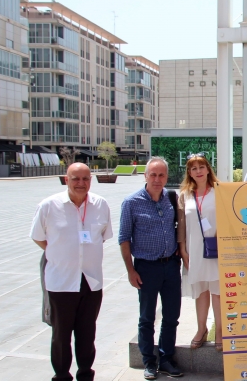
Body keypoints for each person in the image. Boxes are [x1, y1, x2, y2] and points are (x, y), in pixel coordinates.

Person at [30, 163, 112, 381]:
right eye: (76, 178)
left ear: (91, 181)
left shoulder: (100, 205)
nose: (81, 183)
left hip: (91, 281)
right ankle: (61, 376)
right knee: (61, 335)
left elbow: (102, 236)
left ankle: (85, 374)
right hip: (61, 282)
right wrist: (59, 253)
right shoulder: (48, 206)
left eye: (85, 179)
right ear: (66, 180)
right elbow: (38, 237)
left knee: (87, 333)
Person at [119, 157, 183, 379]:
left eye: (161, 175)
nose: (157, 179)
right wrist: (130, 270)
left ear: (167, 177)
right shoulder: (131, 202)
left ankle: (166, 359)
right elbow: (124, 238)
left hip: (171, 266)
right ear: (145, 176)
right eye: (153, 175)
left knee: (172, 315)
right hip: (146, 268)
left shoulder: (171, 198)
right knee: (147, 317)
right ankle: (148, 361)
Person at [177, 153, 222, 352]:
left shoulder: (219, 191)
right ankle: (201, 329)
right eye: (193, 168)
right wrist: (183, 249)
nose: (198, 171)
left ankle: (219, 330)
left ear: (208, 169)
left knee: (217, 291)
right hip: (194, 249)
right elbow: (182, 224)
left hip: (216, 248)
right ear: (189, 172)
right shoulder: (184, 195)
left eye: (201, 167)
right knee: (201, 290)